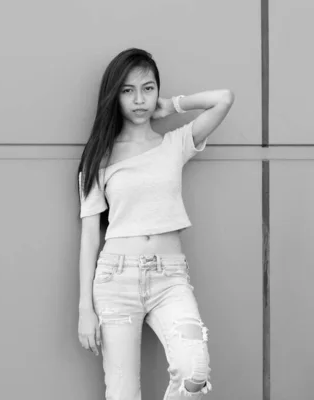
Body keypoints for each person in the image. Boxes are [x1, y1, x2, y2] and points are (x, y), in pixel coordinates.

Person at [76, 48, 234, 400]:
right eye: (128, 90)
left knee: (194, 371)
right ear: (114, 96)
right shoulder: (98, 156)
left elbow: (224, 99)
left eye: (147, 88)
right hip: (115, 279)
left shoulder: (174, 143)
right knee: (122, 394)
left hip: (170, 278)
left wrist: (174, 105)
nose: (139, 99)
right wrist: (85, 309)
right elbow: (89, 235)